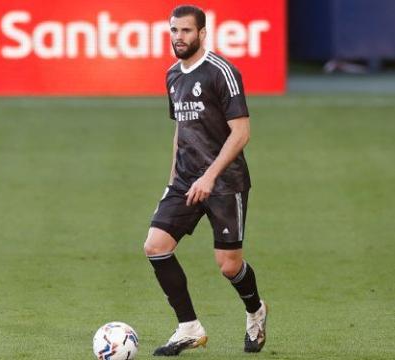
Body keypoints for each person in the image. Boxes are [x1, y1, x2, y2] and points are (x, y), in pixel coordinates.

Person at [143, 5, 267, 357]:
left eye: (185, 31)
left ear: (202, 33)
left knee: (228, 265)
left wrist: (210, 176)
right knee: (155, 246)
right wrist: (172, 182)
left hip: (226, 182)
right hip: (185, 181)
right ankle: (189, 327)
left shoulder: (222, 72)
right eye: (174, 31)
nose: (178, 37)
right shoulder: (172, 75)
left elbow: (241, 133)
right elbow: (181, 130)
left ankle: (255, 310)